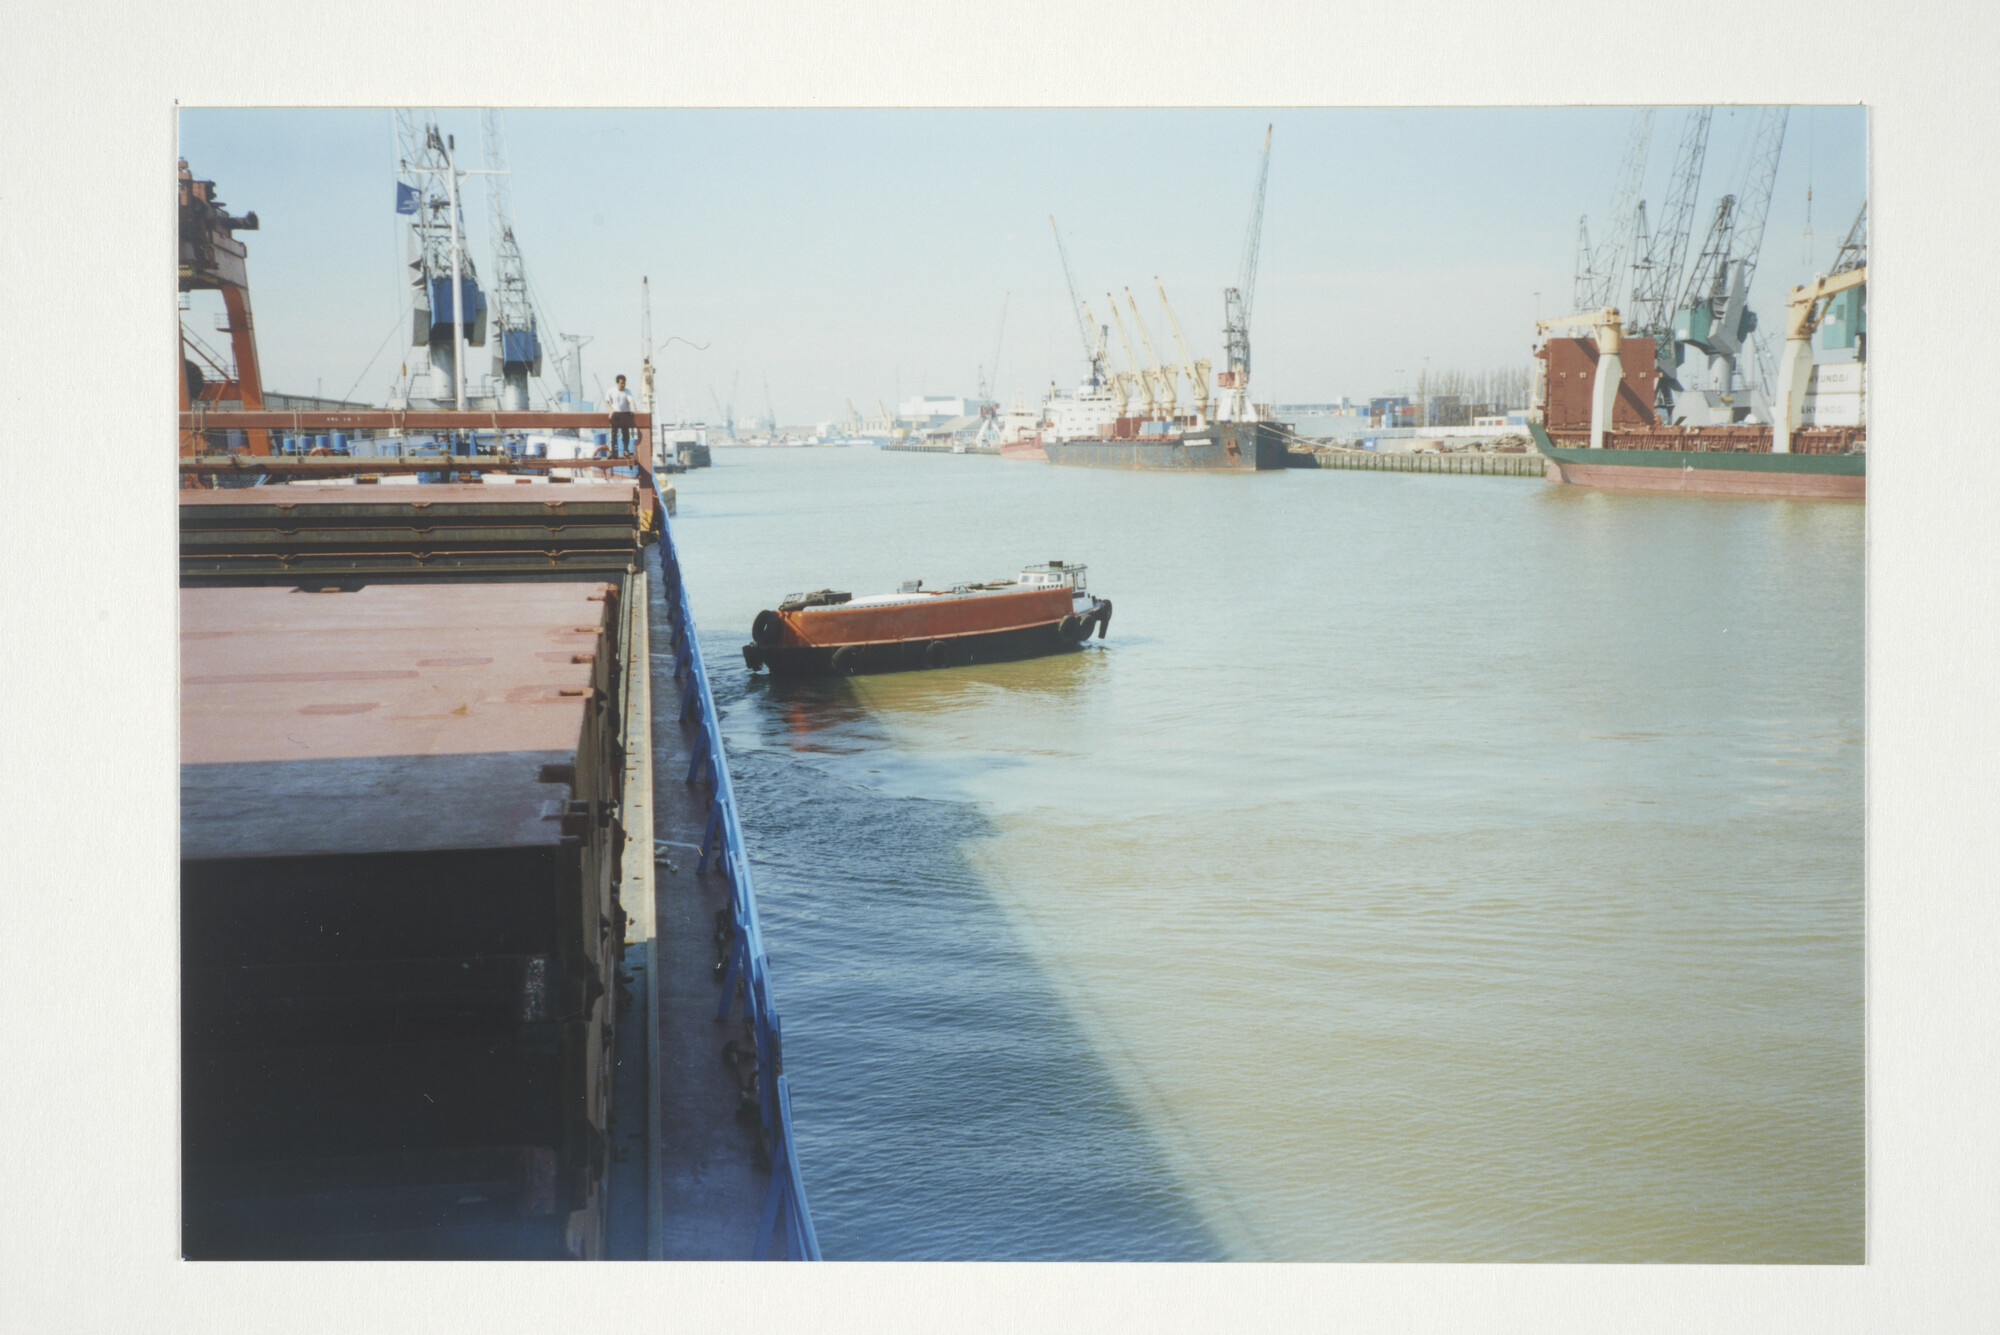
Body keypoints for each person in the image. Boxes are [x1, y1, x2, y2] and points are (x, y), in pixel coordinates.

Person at [607, 374, 637, 457]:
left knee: (626, 434)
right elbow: (607, 401)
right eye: (621, 383)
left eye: (624, 383)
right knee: (613, 434)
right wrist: (611, 409)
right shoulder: (611, 391)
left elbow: (631, 401)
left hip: (624, 415)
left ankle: (626, 450)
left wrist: (634, 408)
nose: (623, 385)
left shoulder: (627, 392)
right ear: (617, 383)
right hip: (616, 415)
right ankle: (612, 451)